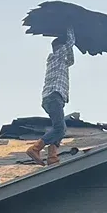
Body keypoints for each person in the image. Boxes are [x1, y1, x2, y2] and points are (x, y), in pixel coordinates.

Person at [27, 28, 75, 166]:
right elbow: (69, 44)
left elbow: (71, 60)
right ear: (59, 48)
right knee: (60, 128)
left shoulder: (63, 62)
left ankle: (52, 157)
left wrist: (70, 46)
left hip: (54, 98)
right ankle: (35, 149)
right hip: (53, 96)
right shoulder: (55, 56)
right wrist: (70, 29)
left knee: (60, 128)